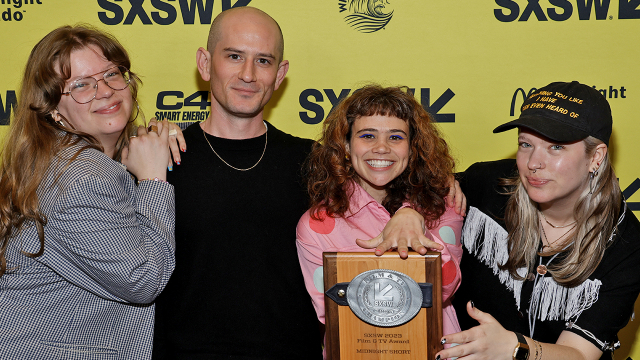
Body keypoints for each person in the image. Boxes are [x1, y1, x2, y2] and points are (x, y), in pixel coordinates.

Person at [151, 7, 463, 359]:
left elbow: (390, 176)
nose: (248, 74)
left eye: (264, 61)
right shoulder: (159, 158)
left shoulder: (316, 160)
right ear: (205, 63)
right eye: (234, 56)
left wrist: (417, 206)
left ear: (280, 73)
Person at [0, 25, 176, 359]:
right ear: (53, 110)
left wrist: (151, 138)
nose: (106, 90)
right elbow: (143, 280)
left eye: (111, 74)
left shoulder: (60, 160)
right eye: (81, 84)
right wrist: (154, 180)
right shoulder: (84, 178)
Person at [437, 81, 640, 360]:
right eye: (525, 144)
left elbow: (580, 354)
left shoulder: (626, 242)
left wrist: (514, 348)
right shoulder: (485, 185)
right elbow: (422, 187)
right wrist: (409, 211)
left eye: (556, 147)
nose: (534, 162)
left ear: (596, 157)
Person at [296, 85, 464, 357]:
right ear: (347, 146)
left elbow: (445, 288)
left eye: (396, 137)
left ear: (413, 148)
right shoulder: (317, 224)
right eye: (368, 135)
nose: (382, 148)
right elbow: (332, 313)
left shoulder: (444, 204)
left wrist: (413, 218)